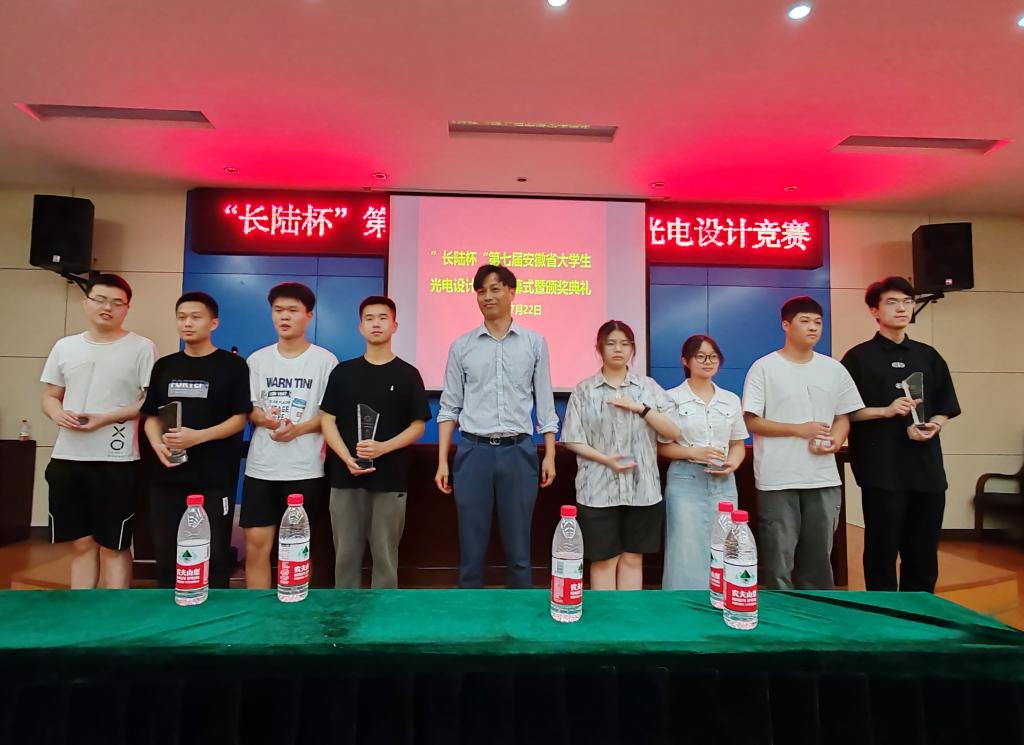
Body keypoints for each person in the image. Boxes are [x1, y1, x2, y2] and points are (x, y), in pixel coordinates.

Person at [435, 264, 558, 589]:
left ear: (511, 292)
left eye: (495, 289)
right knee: (470, 545)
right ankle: (469, 612)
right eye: (481, 291)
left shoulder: (534, 343)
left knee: (519, 546)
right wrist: (443, 461)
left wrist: (549, 455)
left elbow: (546, 404)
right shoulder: (462, 346)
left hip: (519, 451)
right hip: (473, 451)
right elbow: (449, 407)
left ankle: (519, 614)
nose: (487, 296)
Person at [841, 276, 960, 592]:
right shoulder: (858, 358)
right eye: (892, 302)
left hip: (926, 468)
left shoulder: (928, 355)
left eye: (907, 301)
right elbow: (845, 412)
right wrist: (885, 410)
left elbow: (945, 406)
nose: (902, 308)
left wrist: (934, 425)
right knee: (881, 550)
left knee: (923, 551)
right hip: (882, 471)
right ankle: (884, 613)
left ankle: (920, 611)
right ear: (874, 311)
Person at [40, 273, 157, 589]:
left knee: (115, 544)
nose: (108, 308)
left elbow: (150, 402)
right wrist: (57, 413)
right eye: (101, 300)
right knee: (81, 543)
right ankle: (83, 609)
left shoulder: (142, 347)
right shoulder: (65, 346)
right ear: (86, 303)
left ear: (127, 308)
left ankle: (115, 611)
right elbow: (51, 396)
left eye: (117, 303)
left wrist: (105, 419)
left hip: (116, 461)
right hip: (68, 458)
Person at [742, 296, 864, 590]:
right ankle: (780, 611)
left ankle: (817, 611)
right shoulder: (764, 367)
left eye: (818, 322)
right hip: (777, 478)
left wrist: (836, 439)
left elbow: (843, 416)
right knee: (779, 557)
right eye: (805, 321)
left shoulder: (833, 368)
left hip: (823, 477)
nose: (813, 328)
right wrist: (799, 430)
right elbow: (751, 421)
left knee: (819, 557)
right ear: (786, 325)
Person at [142, 291, 251, 589]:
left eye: (195, 317)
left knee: (214, 551)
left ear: (213, 323)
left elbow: (239, 418)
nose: (187, 323)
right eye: (181, 317)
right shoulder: (165, 365)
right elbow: (150, 416)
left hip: (214, 477)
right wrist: (157, 444)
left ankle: (214, 611)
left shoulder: (233, 366)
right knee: (167, 550)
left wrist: (197, 437)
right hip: (167, 475)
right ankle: (168, 609)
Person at [561, 321, 681, 590]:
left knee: (632, 558)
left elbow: (673, 431)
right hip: (597, 489)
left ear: (632, 349)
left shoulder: (648, 387)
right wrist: (606, 460)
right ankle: (606, 615)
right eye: (611, 343)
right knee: (604, 560)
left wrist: (642, 409)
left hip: (643, 489)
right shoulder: (584, 390)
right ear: (599, 348)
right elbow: (572, 438)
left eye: (625, 344)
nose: (618, 349)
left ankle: (629, 614)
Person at [320, 296, 431, 588]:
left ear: (395, 325)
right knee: (345, 556)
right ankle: (345, 612)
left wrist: (383, 447)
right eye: (369, 318)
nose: (376, 324)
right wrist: (346, 457)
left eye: (383, 318)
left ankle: (383, 612)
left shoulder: (408, 374)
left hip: (390, 479)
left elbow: (418, 427)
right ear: (360, 327)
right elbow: (327, 421)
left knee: (385, 556)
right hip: (345, 477)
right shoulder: (343, 372)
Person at [242, 282, 337, 588]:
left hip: (305, 469)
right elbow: (251, 409)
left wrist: (298, 429)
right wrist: (266, 421)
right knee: (256, 547)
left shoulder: (325, 361)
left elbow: (329, 416)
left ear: (309, 316)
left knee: (300, 549)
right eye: (278, 310)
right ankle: (258, 609)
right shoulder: (257, 360)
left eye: (293, 311)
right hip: (262, 468)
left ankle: (297, 606)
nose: (284, 317)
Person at [659, 334, 748, 590]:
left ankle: (724, 597)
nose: (708, 361)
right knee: (684, 549)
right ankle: (682, 604)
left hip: (724, 481)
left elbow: (737, 444)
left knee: (727, 545)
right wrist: (694, 452)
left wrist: (733, 463)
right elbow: (662, 447)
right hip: (686, 479)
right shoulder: (671, 398)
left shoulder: (730, 399)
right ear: (685, 361)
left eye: (713, 356)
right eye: (700, 356)